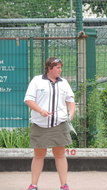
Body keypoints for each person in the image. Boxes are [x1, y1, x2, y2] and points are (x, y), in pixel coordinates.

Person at [24, 57, 76, 190]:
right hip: (40, 125)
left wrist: (70, 114)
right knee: (39, 155)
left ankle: (64, 185)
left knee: (60, 155)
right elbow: (29, 100)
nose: (60, 70)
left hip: (59, 124)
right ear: (49, 68)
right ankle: (33, 185)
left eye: (60, 67)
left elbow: (70, 100)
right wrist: (41, 111)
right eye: (58, 67)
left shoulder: (64, 82)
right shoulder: (37, 80)